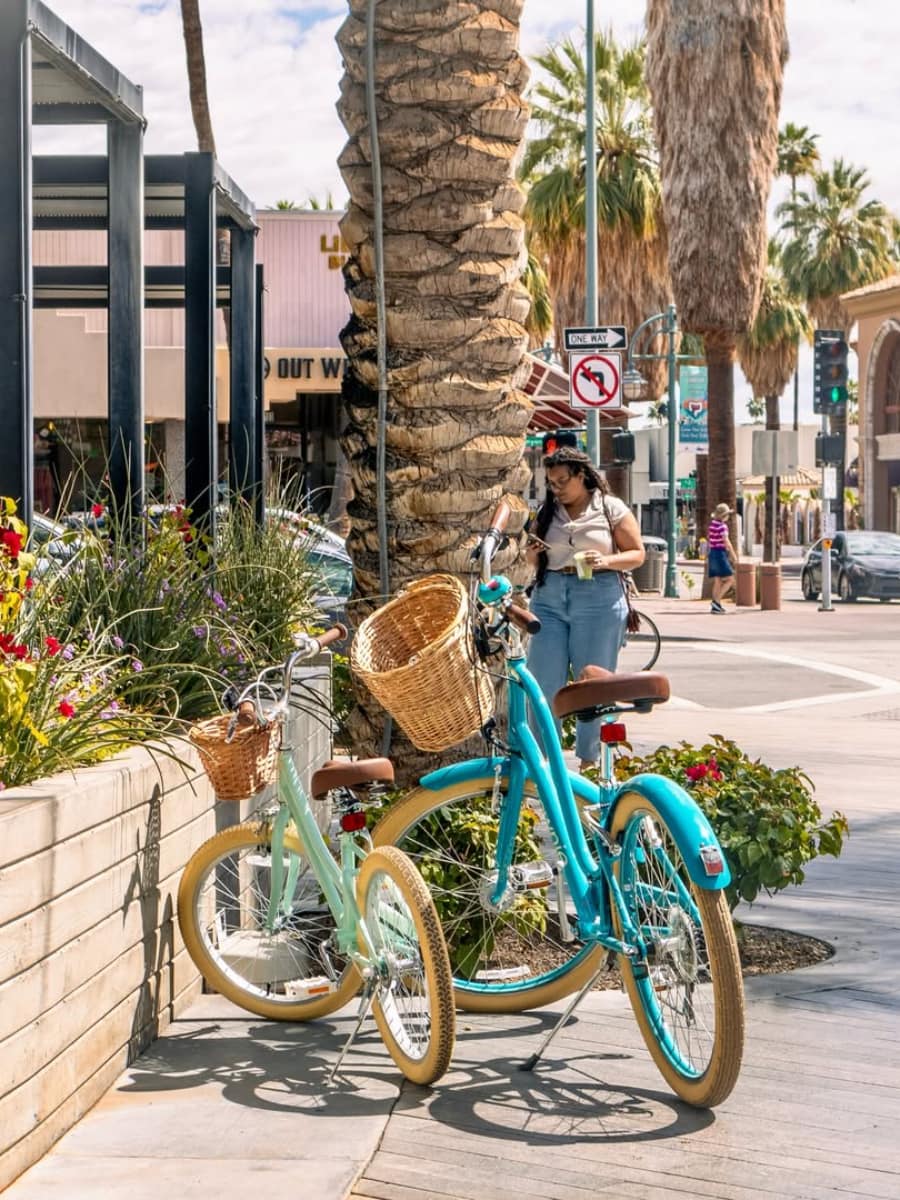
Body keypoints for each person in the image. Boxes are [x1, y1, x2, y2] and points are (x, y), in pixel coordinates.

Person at [525, 447, 645, 771]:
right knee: (542, 681)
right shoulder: (546, 512)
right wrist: (533, 554)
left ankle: (591, 762)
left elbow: (637, 553)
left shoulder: (610, 508)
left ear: (582, 476)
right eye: (551, 482)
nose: (557, 488)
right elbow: (530, 560)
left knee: (593, 682)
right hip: (549, 596)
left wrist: (605, 560)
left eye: (563, 480)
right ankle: (540, 761)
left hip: (598, 596)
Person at [707, 502, 737, 613]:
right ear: (724, 515)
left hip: (713, 553)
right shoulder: (723, 526)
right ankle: (716, 601)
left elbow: (711, 540)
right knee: (730, 580)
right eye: (727, 514)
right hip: (720, 553)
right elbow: (726, 541)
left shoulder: (712, 525)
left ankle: (716, 605)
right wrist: (733, 555)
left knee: (718, 580)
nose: (728, 517)